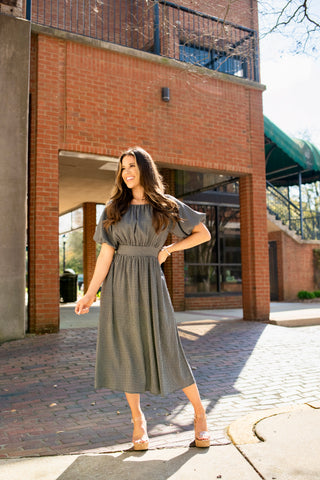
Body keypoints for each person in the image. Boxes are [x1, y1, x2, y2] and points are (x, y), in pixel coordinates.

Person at [75, 147, 211, 450]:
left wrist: (168, 249)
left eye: (132, 166)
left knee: (167, 346)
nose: (127, 172)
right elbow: (106, 253)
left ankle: (200, 414)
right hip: (119, 285)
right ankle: (138, 421)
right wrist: (90, 292)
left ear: (144, 169)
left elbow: (202, 234)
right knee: (127, 351)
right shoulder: (113, 208)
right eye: (123, 168)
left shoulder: (165, 205)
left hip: (151, 282)